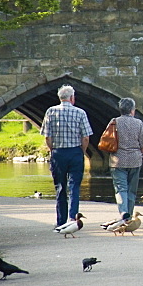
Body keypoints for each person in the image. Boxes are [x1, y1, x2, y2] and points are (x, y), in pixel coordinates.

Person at [40, 84, 92, 227]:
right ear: (72, 98)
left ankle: (60, 221)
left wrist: (53, 150)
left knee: (60, 187)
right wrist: (82, 151)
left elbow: (47, 137)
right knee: (74, 186)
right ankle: (73, 218)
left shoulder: (50, 112)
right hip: (75, 152)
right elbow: (86, 137)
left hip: (58, 153)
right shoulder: (80, 113)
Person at [109, 97, 143, 218]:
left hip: (117, 161)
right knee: (131, 191)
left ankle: (123, 211)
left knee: (121, 188)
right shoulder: (138, 123)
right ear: (132, 110)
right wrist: (138, 154)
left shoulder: (114, 122)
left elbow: (107, 140)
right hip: (135, 161)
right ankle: (129, 215)